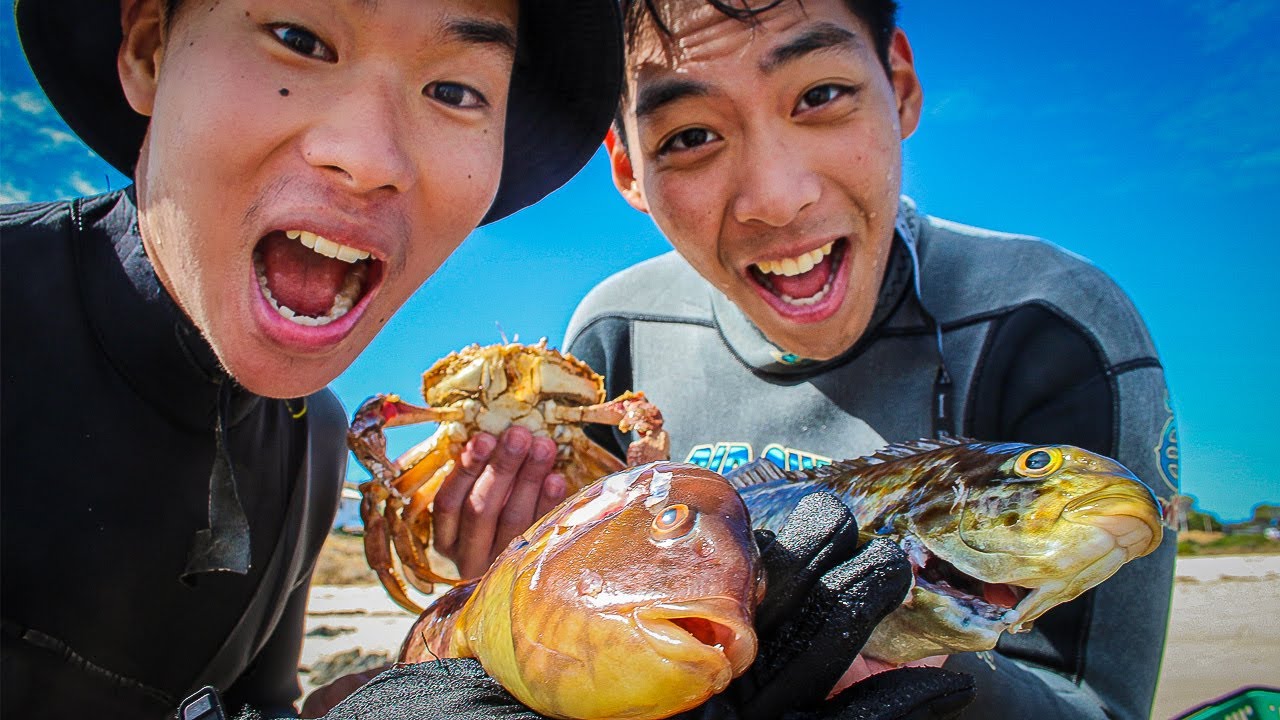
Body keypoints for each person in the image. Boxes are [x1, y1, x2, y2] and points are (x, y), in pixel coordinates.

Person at [560, 1, 1181, 719]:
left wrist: (921, 666)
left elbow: (1105, 706)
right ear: (629, 168)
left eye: (819, 96)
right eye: (691, 135)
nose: (777, 199)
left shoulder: (1052, 328)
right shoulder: (616, 339)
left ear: (901, 86)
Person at [1, 0, 622, 715]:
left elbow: (249, 698)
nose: (369, 159)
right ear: (148, 51)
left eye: (454, 91)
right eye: (299, 40)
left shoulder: (319, 436)